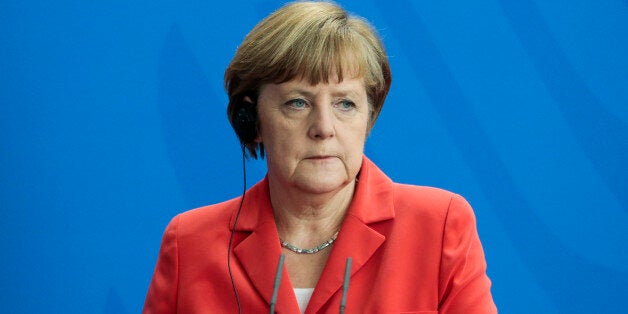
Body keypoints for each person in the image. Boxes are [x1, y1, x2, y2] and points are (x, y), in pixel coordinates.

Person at [143, 1, 497, 313]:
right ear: (252, 120)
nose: (324, 127)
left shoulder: (438, 227)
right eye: (298, 102)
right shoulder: (191, 243)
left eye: (345, 103)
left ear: (368, 118)